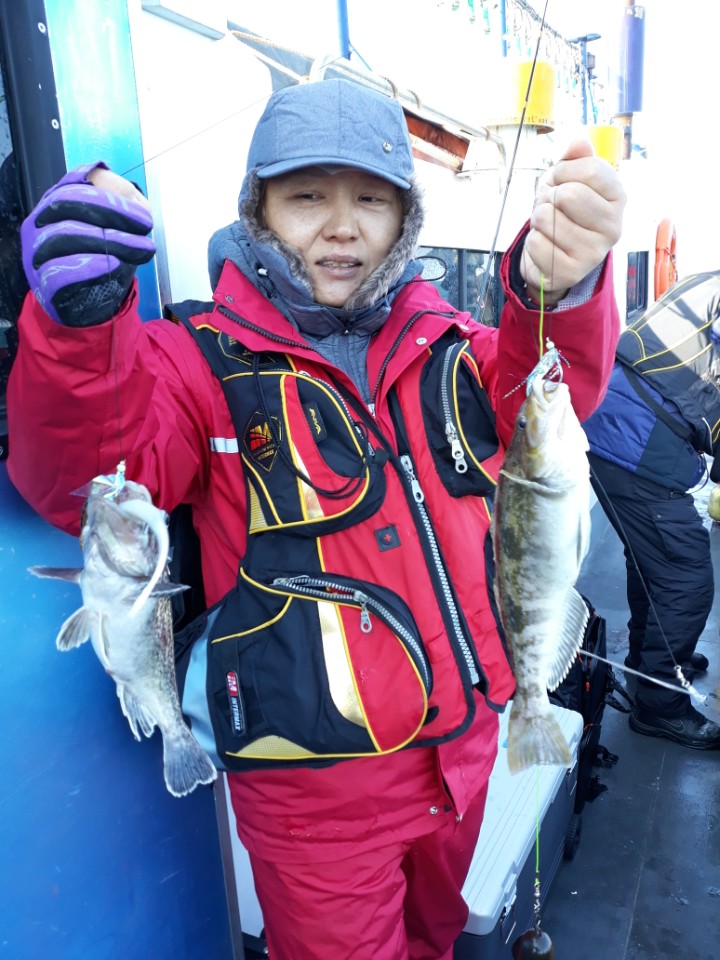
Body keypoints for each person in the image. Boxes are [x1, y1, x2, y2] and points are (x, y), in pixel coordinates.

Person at [8, 79, 625, 960]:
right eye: (306, 197)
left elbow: (550, 392)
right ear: (257, 210)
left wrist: (560, 285)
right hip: (314, 807)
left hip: (465, 756)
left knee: (435, 938)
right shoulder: (194, 360)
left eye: (371, 200)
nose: (342, 227)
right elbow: (91, 468)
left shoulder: (451, 344)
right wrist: (80, 327)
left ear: (404, 217)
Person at [582, 271, 720, 751]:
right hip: (635, 439)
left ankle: (652, 663)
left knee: (654, 564)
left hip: (615, 423)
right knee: (685, 576)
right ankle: (659, 704)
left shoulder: (709, 280)